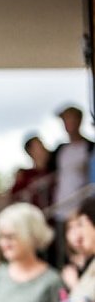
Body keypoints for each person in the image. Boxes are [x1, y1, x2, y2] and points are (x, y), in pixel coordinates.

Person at [50, 105, 94, 264]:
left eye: (71, 119)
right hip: (61, 207)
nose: (68, 124)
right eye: (65, 120)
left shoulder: (89, 147)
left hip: (81, 206)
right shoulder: (60, 150)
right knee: (64, 250)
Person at [10, 134, 54, 211]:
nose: (43, 149)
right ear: (30, 152)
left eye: (42, 145)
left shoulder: (55, 171)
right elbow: (14, 199)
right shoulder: (24, 176)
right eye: (38, 147)